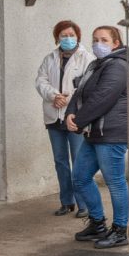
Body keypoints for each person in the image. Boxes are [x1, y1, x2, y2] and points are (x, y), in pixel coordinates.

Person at [66, 26, 129, 249]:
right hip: (95, 132)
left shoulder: (118, 66)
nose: (98, 44)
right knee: (80, 177)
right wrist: (70, 113)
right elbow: (79, 92)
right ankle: (97, 224)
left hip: (112, 133)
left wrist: (78, 121)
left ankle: (120, 230)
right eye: (95, 39)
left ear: (116, 43)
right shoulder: (96, 65)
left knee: (115, 182)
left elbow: (102, 98)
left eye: (104, 40)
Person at [35, 20, 95, 217]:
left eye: (71, 35)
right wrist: (54, 95)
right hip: (54, 117)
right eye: (63, 35)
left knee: (79, 161)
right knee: (60, 161)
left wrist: (68, 100)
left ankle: (83, 204)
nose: (68, 38)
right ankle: (66, 202)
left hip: (74, 118)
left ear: (78, 36)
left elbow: (89, 86)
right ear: (57, 38)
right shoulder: (50, 58)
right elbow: (41, 81)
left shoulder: (87, 58)